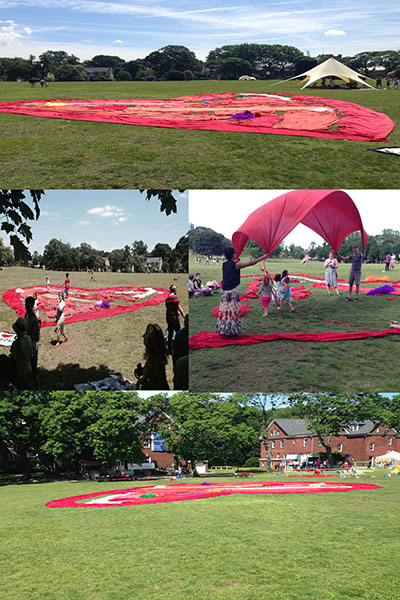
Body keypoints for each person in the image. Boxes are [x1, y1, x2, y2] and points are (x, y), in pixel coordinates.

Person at [216, 247, 267, 336]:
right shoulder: (236, 265)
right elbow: (251, 263)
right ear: (232, 255)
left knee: (225, 310)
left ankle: (224, 328)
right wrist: (263, 257)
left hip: (225, 291)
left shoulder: (224, 264)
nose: (236, 254)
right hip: (232, 291)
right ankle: (231, 330)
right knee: (232, 310)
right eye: (235, 252)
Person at [136, 324, 169, 390]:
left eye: (146, 335)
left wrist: (145, 380)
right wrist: (142, 371)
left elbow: (161, 386)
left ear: (152, 340)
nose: (143, 336)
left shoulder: (158, 361)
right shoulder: (152, 357)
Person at [10, 317, 33, 390]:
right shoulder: (29, 339)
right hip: (29, 369)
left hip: (20, 371)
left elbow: (13, 358)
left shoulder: (16, 344)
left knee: (20, 387)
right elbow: (31, 354)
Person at [24, 296, 40, 388]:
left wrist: (27, 334)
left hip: (32, 348)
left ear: (32, 306)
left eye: (28, 306)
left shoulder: (34, 319)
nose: (26, 307)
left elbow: (37, 338)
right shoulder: (26, 315)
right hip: (26, 345)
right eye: (25, 305)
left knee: (33, 370)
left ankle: (36, 386)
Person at [165, 285, 185, 354]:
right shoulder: (175, 298)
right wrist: (184, 316)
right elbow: (179, 307)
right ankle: (179, 347)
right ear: (174, 290)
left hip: (168, 318)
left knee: (170, 334)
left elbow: (168, 308)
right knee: (178, 333)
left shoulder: (167, 298)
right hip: (174, 318)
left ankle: (170, 349)